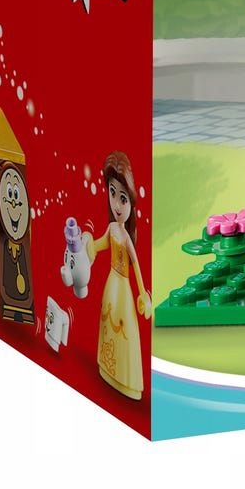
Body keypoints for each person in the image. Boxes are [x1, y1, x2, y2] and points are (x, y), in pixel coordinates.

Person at [86, 152, 151, 400]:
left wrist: (143, 293)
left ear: (131, 202)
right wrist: (88, 245)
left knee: (123, 327)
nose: (116, 204)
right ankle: (107, 367)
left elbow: (136, 265)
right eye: (112, 193)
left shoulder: (125, 237)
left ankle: (127, 380)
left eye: (123, 198)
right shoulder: (112, 228)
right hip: (111, 283)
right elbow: (101, 243)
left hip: (122, 287)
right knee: (108, 320)